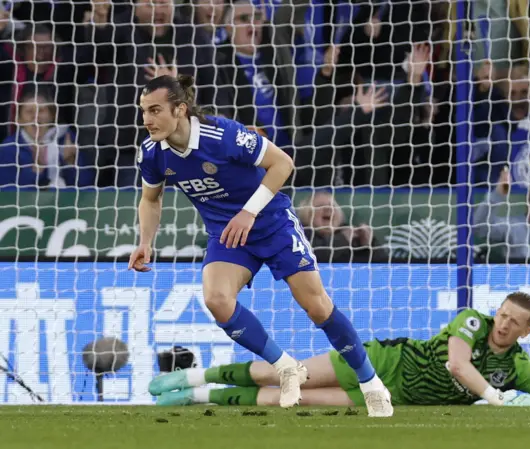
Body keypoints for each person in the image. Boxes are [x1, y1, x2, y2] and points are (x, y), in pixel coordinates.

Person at [129, 74, 393, 417]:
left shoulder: (222, 135)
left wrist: (248, 213)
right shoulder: (151, 153)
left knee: (317, 307)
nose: (147, 120)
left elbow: (283, 163)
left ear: (180, 109)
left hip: (271, 223)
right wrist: (145, 242)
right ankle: (286, 367)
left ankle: (371, 383)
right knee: (217, 300)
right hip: (229, 236)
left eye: (154, 110)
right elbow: (151, 199)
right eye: (143, 111)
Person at [149, 292, 530, 408]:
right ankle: (191, 377)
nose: (505, 324)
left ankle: (196, 399)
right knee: (284, 375)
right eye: (504, 314)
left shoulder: (519, 366)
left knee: (297, 400)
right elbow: (456, 363)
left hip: (393, 398)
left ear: (526, 332)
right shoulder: (472, 320)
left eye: (515, 322)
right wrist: (492, 396)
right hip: (381, 362)